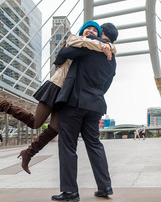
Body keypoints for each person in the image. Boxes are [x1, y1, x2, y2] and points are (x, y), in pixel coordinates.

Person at [0, 21, 116, 174]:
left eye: (95, 30)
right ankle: (4, 106)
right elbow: (68, 48)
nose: (91, 31)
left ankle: (28, 154)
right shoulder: (75, 42)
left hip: (68, 95)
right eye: (88, 28)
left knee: (55, 128)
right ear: (82, 31)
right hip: (56, 87)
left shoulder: (91, 49)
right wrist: (105, 46)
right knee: (36, 122)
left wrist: (109, 46)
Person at [51, 23, 118, 201]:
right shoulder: (113, 59)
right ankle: (105, 186)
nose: (93, 33)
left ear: (101, 33)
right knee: (94, 144)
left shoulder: (90, 45)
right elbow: (106, 86)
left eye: (97, 31)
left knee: (68, 146)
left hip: (75, 102)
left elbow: (64, 53)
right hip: (95, 105)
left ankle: (70, 191)